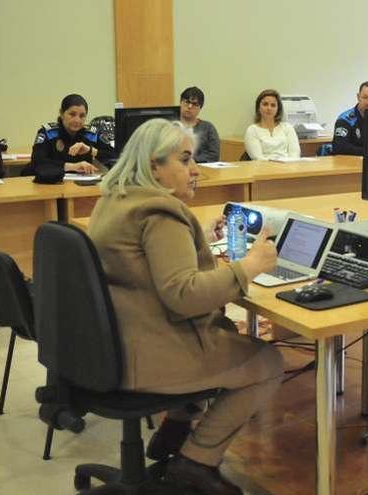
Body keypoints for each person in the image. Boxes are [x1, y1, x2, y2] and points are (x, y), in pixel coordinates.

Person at [89, 119, 283, 495]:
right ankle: (197, 461)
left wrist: (198, 242)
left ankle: (172, 433)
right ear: (153, 166)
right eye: (184, 160)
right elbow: (184, 294)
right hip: (149, 352)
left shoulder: (115, 199)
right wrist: (250, 266)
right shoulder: (161, 213)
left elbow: (145, 268)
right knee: (267, 363)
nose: (195, 170)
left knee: (226, 340)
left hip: (115, 344)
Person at [23, 94, 111, 179]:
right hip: (51, 183)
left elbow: (116, 156)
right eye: (72, 114)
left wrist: (90, 150)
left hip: (80, 186)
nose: (77, 120)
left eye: (82, 116)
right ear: (61, 114)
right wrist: (72, 167)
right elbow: (37, 162)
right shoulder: (48, 133)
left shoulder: (91, 134)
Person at [243, 89, 300, 160]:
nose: (269, 108)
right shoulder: (252, 130)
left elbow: (295, 155)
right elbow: (258, 158)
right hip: (264, 169)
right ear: (258, 108)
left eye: (273, 105)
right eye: (265, 104)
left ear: (278, 109)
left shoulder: (287, 128)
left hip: (287, 167)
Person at [332, 81, 368, 155]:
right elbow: (339, 148)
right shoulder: (345, 119)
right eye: (365, 97)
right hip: (347, 163)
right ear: (358, 97)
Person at [180, 86, 221, 163]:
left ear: (200, 108)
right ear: (180, 103)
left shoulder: (208, 128)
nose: (189, 106)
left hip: (202, 169)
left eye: (195, 104)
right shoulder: (171, 126)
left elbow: (214, 155)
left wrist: (187, 159)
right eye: (187, 102)